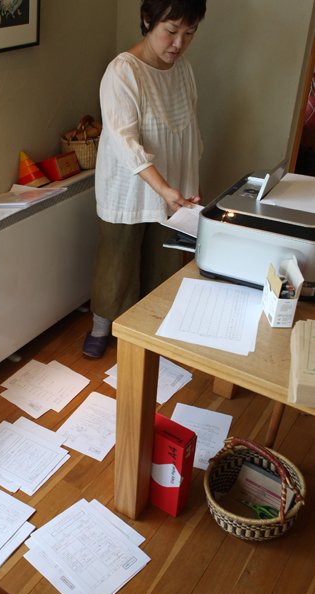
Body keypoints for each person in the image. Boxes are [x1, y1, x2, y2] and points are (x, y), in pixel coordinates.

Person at [82, 0, 207, 358]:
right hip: (130, 186)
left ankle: (150, 325)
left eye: (189, 33)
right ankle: (102, 326)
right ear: (148, 20)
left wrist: (190, 183)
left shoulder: (183, 70)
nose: (179, 43)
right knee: (117, 257)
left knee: (163, 258)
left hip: (173, 187)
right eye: (171, 31)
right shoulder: (123, 71)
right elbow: (125, 141)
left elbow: (189, 131)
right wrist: (162, 187)